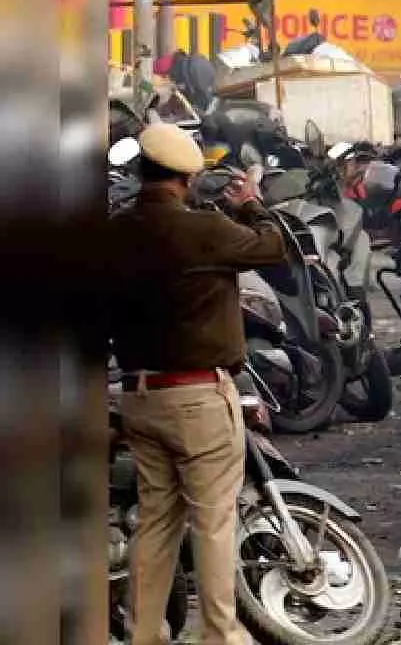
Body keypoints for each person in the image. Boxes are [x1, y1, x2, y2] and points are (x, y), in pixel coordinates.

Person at [105, 123, 287, 644]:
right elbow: (275, 247)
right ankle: (220, 634)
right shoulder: (203, 228)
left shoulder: (116, 231)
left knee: (156, 523)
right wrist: (250, 203)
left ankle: (144, 632)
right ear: (186, 178)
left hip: (141, 396)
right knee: (212, 522)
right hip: (199, 398)